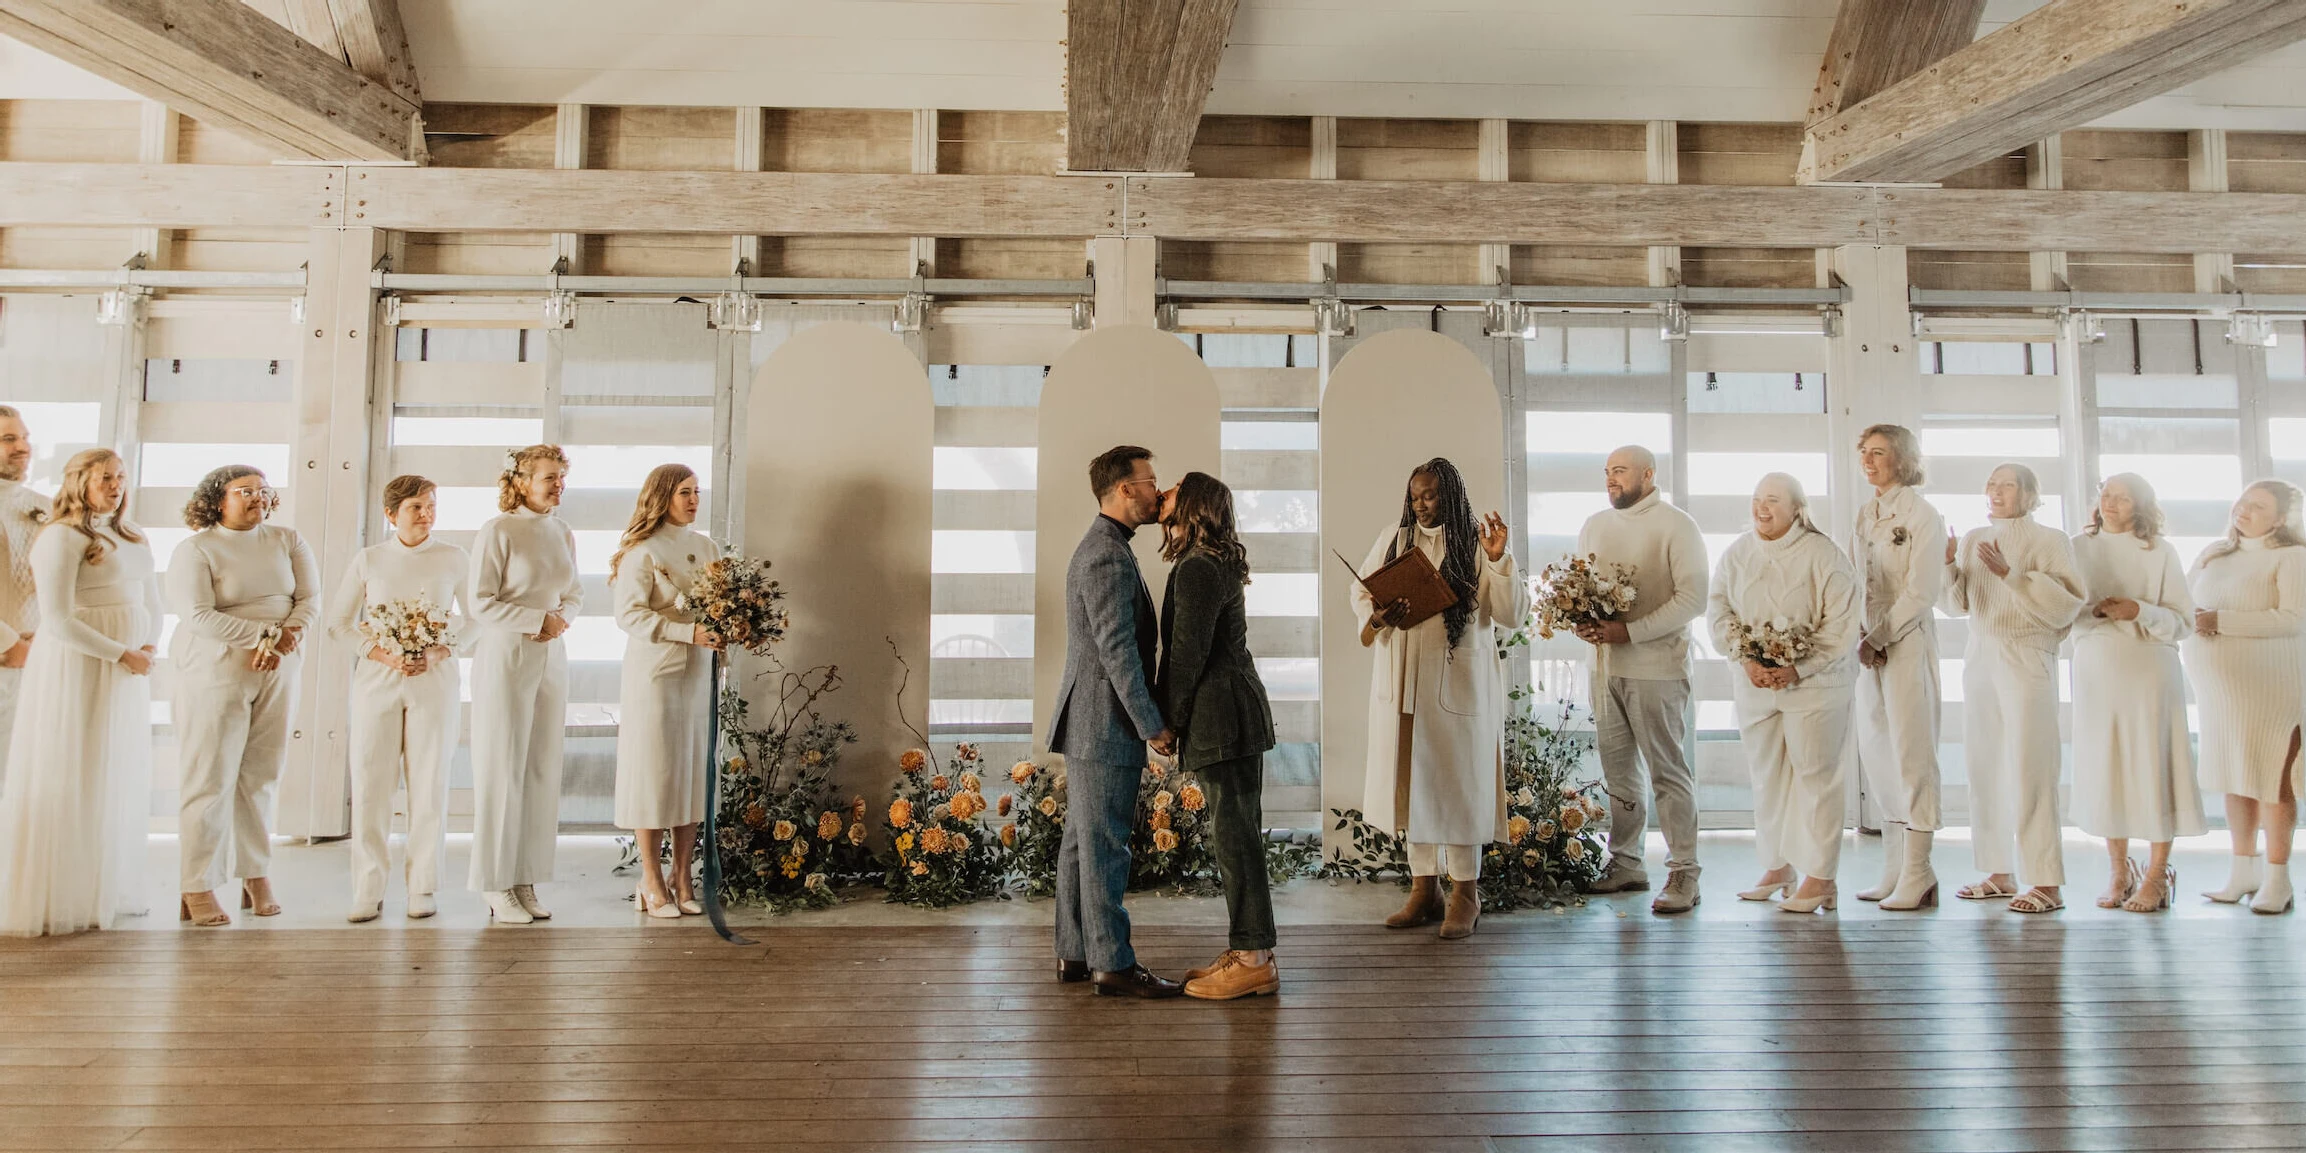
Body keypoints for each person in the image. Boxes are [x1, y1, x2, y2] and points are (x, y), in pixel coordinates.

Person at [1357, 458, 1527, 939]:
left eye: (1430, 495)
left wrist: (1498, 560)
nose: (1421, 504)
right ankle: (1423, 888)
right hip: (1403, 679)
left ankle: (1466, 892)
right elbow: (1361, 594)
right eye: (1414, 496)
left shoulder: (1475, 540)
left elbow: (1511, 612)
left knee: (1456, 782)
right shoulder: (1396, 538)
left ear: (1449, 494)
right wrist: (1379, 615)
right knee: (1413, 781)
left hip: (1456, 679)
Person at [0, 449, 158, 936]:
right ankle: (59, 893)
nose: (115, 485)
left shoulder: (131, 533)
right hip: (79, 666)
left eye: (120, 476)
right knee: (73, 769)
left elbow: (150, 595)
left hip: (127, 667)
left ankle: (100, 887)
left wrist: (149, 642)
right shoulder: (61, 537)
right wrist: (121, 654)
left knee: (111, 770)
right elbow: (59, 620)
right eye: (104, 477)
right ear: (79, 482)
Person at [1049, 445, 1179, 998]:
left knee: (1083, 841)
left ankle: (1076, 954)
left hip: (1090, 720)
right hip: (1104, 723)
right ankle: (1114, 963)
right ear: (1125, 489)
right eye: (1150, 481)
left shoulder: (1104, 547)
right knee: (1105, 844)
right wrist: (1151, 724)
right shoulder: (1105, 554)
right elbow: (1117, 652)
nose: (1158, 489)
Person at [169, 465, 318, 927]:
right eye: (245, 491)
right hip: (214, 668)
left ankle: (255, 874)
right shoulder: (196, 549)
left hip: (280, 664)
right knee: (209, 776)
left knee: (262, 773)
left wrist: (283, 639)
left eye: (263, 490)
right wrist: (264, 636)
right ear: (217, 499)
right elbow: (197, 614)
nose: (257, 497)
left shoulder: (288, 540)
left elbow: (309, 599)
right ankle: (197, 883)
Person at [1707, 473, 1859, 914]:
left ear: (1797, 508)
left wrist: (1799, 666)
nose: (1761, 508)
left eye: (1773, 500)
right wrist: (1745, 658)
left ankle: (1820, 877)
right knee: (1767, 779)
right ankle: (1778, 867)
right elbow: (1719, 609)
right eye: (1756, 499)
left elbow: (1842, 625)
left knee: (1816, 780)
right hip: (1755, 686)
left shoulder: (1824, 555)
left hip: (1816, 686)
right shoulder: (1737, 553)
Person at [1153, 472, 1278, 996]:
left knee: (1235, 837)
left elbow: (1186, 656)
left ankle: (1253, 960)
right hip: (1230, 713)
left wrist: (1167, 721)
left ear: (1196, 504)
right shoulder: (1204, 561)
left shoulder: (1200, 567)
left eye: (1177, 485)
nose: (1165, 491)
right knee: (1237, 833)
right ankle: (1251, 949)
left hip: (1221, 717)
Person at [325, 475, 469, 923]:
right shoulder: (369, 560)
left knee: (429, 786)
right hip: (376, 682)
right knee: (371, 785)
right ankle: (367, 889)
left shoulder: (454, 558)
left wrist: (442, 649)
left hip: (435, 681)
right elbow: (339, 622)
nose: (426, 515)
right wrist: (381, 653)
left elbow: (479, 619)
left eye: (431, 506)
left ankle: (422, 887)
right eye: (415, 508)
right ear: (391, 515)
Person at [1942, 462, 2084, 914]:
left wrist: (2012, 574)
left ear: (2029, 494)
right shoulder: (1972, 539)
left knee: (2031, 766)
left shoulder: (2050, 541)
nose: (1996, 491)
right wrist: (1947, 564)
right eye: (1991, 483)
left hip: (2027, 654)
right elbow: (1955, 605)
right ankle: (1999, 872)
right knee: (1984, 765)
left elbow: (2067, 606)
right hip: (1980, 654)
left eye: (2008, 484)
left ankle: (2047, 882)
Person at [1575, 445, 1708, 914]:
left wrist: (1629, 631)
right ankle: (1627, 862)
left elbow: (1694, 598)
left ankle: (1685, 873)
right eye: (1607, 470)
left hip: (1658, 670)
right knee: (1618, 774)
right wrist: (1583, 621)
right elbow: (1582, 587)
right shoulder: (1594, 524)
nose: (1611, 478)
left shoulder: (1677, 525)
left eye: (1620, 471)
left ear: (1649, 474)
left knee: (1668, 772)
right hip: (1604, 667)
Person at [2070, 473, 2201, 913]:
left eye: (2123, 498)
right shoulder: (2077, 547)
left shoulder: (2160, 551)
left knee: (2151, 764)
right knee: (2109, 767)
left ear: (2141, 506)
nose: (2111, 504)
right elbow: (2061, 610)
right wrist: (2094, 612)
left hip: (2149, 670)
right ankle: (2118, 870)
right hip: (2096, 669)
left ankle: (2158, 873)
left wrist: (2137, 610)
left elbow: (2184, 621)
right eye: (2106, 495)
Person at [468, 445, 584, 926]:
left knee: (540, 767)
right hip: (507, 655)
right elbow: (480, 602)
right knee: (502, 765)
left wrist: (560, 621)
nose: (558, 485)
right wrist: (536, 618)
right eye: (549, 477)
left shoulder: (561, 532)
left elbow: (574, 593)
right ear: (520, 481)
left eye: (562, 477)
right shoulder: (498, 531)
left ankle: (525, 878)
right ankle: (495, 883)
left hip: (551, 655)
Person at [2187, 478, 2306, 915]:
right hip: (2221, 691)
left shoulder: (2293, 557)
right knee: (2234, 777)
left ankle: (2278, 878)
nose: (2244, 510)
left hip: (2271, 687)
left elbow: (2292, 619)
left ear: (2279, 519)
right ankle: (2243, 871)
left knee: (2272, 779)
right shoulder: (2214, 554)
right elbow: (2184, 602)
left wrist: (2221, 620)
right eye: (2243, 501)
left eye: (2258, 506)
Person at [610, 464, 722, 919]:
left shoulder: (707, 547)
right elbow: (629, 616)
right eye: (683, 492)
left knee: (692, 771)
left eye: (697, 492)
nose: (693, 500)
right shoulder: (642, 551)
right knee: (654, 772)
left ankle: (682, 875)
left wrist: (726, 628)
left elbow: (720, 603)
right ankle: (651, 879)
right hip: (654, 674)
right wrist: (686, 632)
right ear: (661, 496)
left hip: (698, 672)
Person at [1849, 423, 1946, 911]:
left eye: (1879, 452)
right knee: (1878, 752)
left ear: (1903, 459)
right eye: (1864, 452)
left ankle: (1919, 870)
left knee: (1913, 755)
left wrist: (1881, 636)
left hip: (1905, 640)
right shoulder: (1866, 514)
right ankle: (1893, 865)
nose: (1869, 460)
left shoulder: (1923, 515)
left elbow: (1922, 591)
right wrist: (1862, 638)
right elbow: (1857, 582)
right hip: (1870, 644)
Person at [0, 406, 50, 793]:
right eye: (8, 439)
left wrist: (43, 640)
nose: (23, 448)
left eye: (25, 438)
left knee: (27, 780)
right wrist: (9, 643)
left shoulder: (44, 507)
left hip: (40, 659)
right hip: (7, 652)